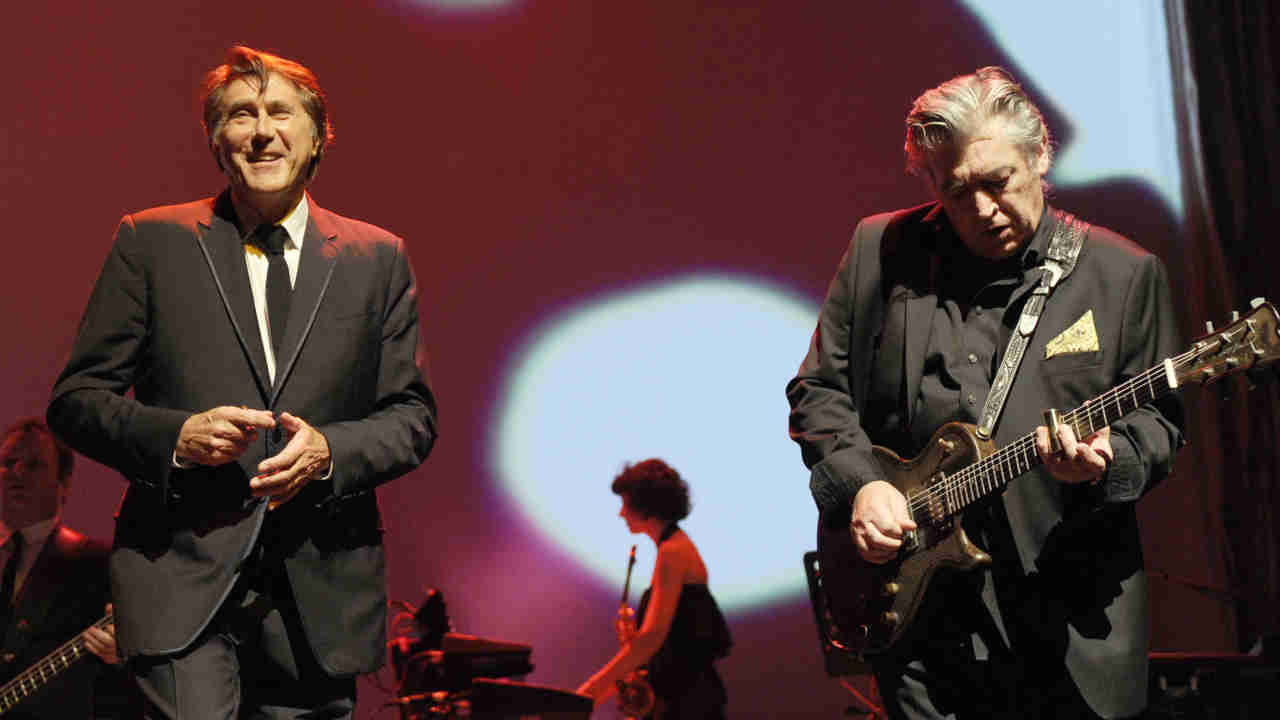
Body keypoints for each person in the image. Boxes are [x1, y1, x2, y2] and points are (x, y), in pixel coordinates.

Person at [48, 45, 437, 719]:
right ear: (215, 140)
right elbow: (77, 401)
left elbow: (410, 417)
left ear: (319, 136)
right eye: (240, 114)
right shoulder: (153, 242)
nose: (262, 130)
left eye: (280, 112)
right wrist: (176, 436)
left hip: (319, 595)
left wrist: (328, 453)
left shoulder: (378, 258)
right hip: (179, 580)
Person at [786, 67, 1185, 719]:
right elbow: (818, 390)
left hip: (1065, 625)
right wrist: (862, 484)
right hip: (918, 622)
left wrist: (1108, 459)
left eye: (998, 183)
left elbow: (1160, 426)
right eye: (956, 192)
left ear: (1040, 155)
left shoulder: (1124, 275)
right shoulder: (879, 250)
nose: (982, 211)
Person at [0, 417, 134, 719]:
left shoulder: (97, 563)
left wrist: (122, 655)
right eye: (8, 462)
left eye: (34, 465)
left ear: (64, 482)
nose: (17, 473)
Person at [577, 459, 732, 719]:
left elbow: (652, 639)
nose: (621, 513)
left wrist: (592, 691)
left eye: (625, 504)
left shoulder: (672, 552)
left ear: (645, 506)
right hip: (685, 699)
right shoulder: (672, 547)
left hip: (685, 704)